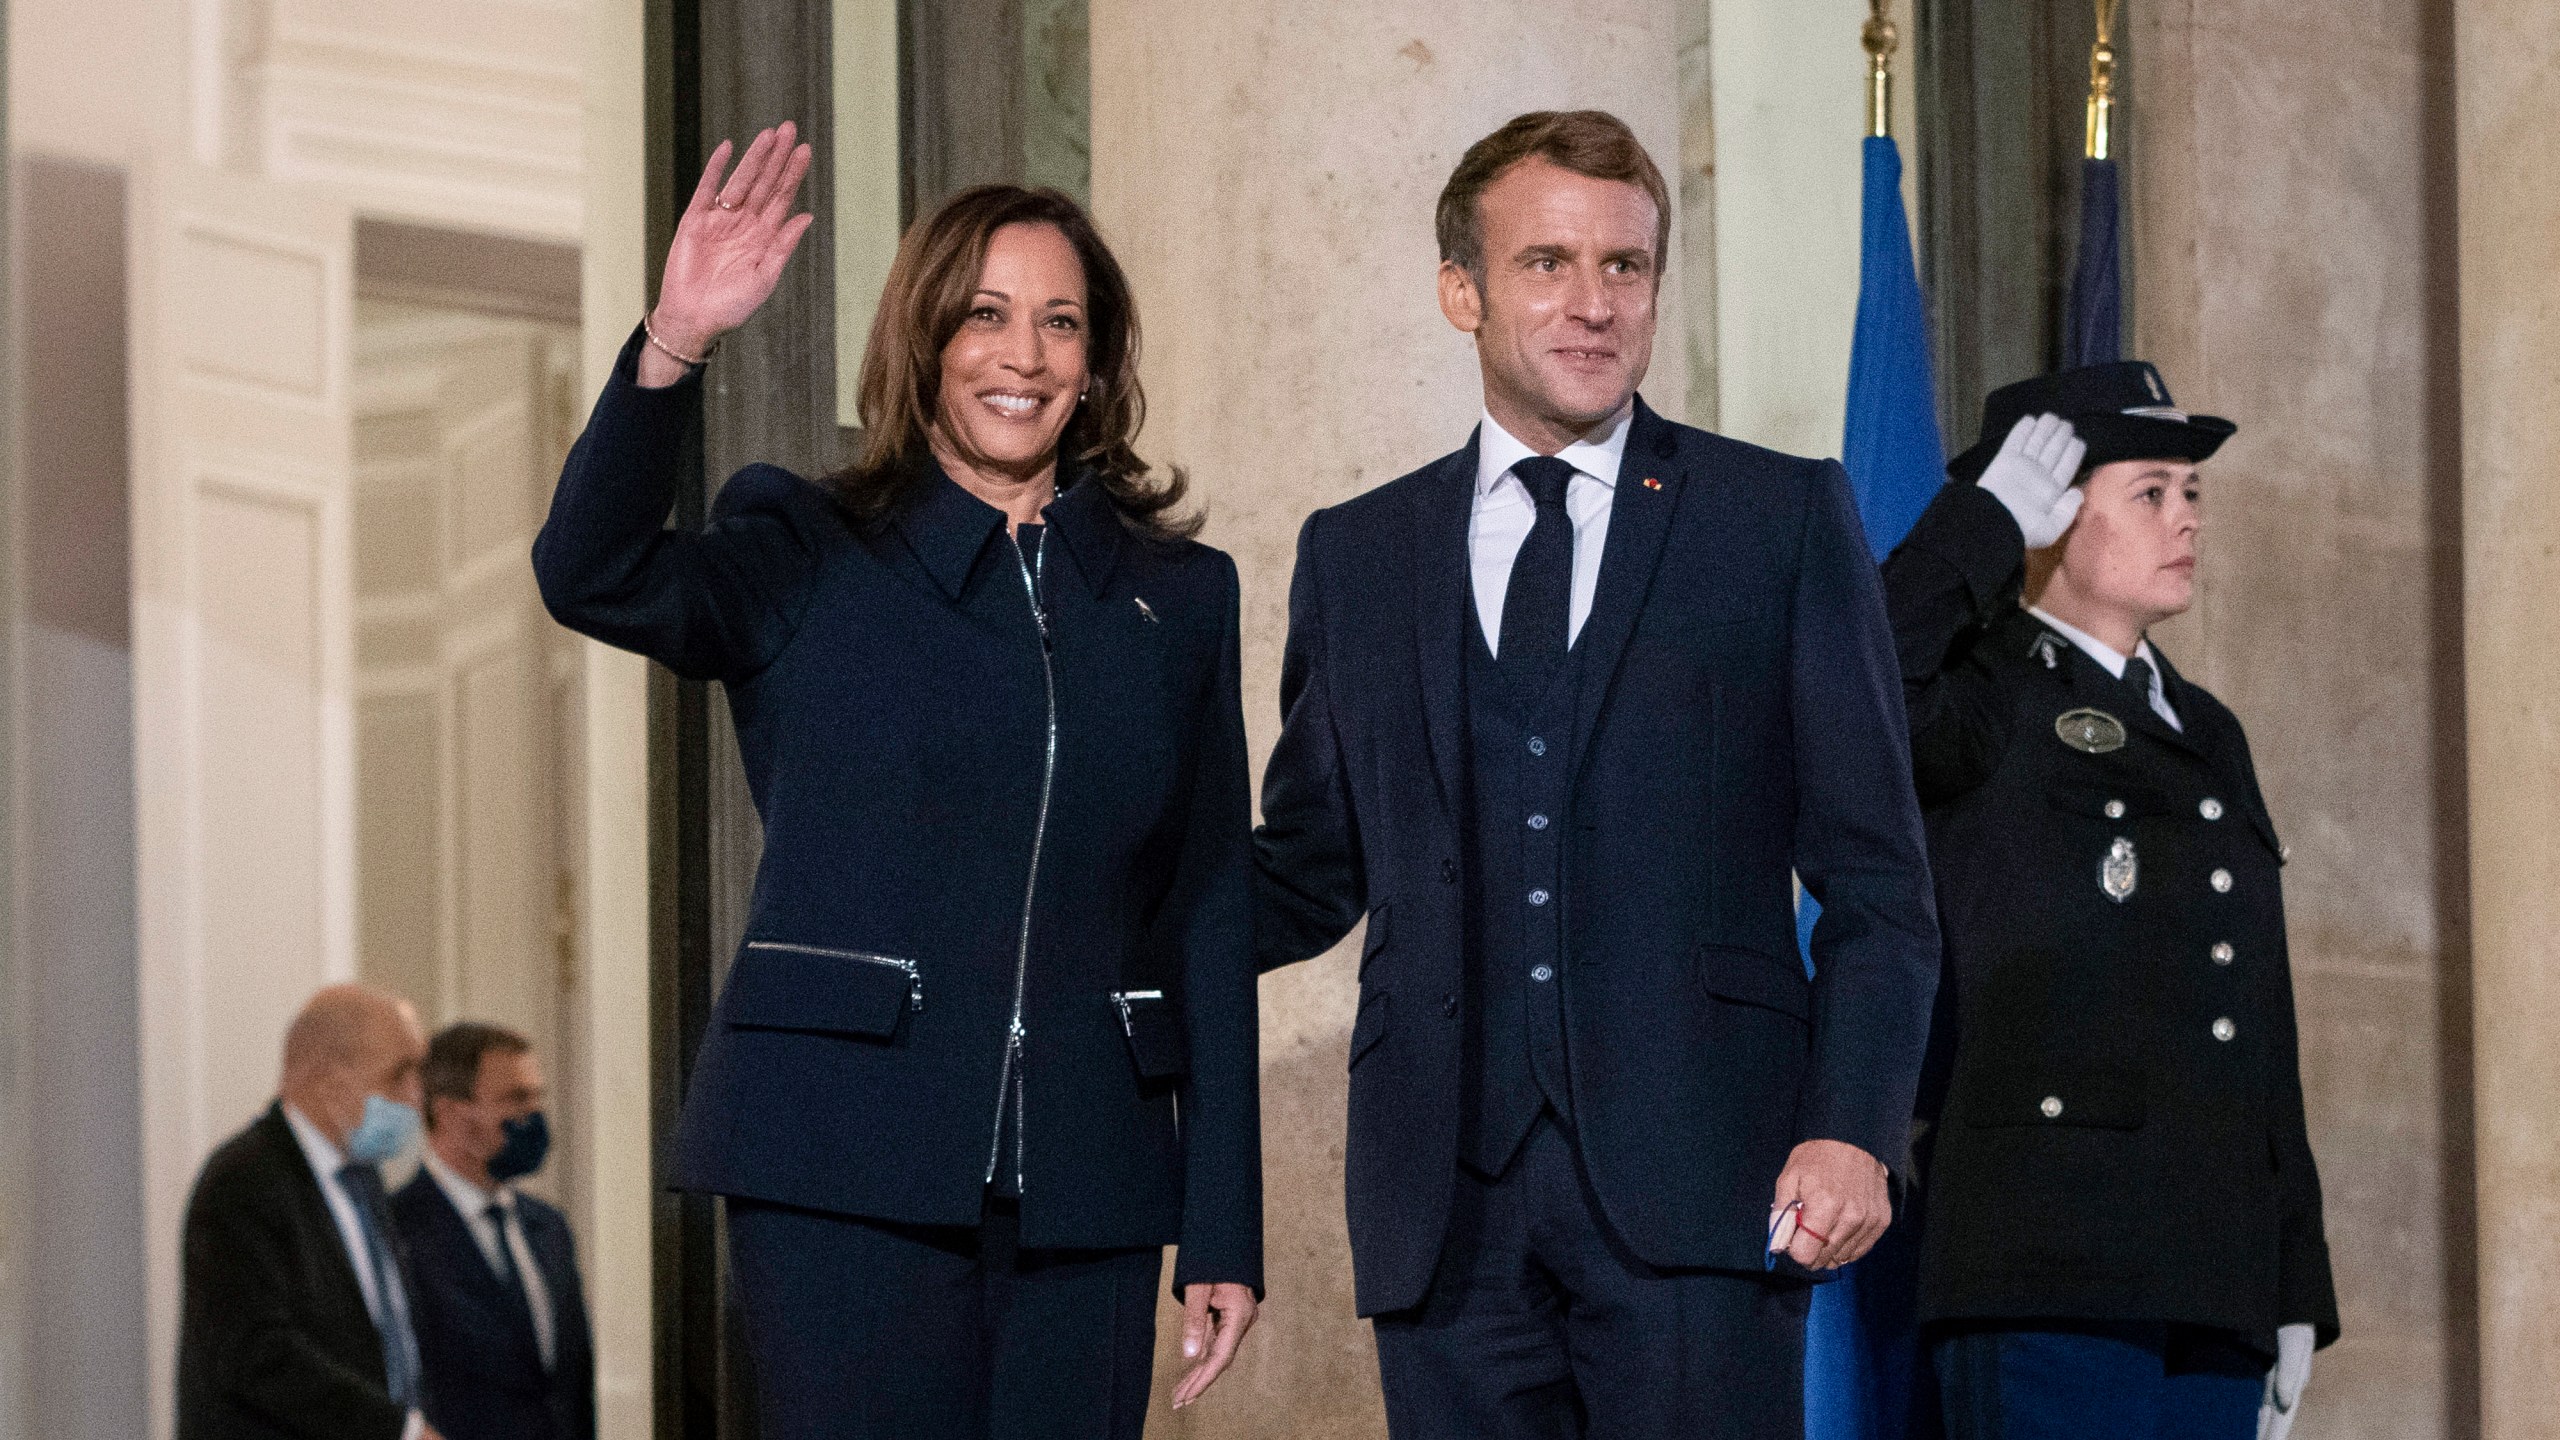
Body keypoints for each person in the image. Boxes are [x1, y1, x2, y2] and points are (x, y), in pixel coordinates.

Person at [531, 124, 1261, 1439]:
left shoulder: (1178, 599)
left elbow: (1207, 906)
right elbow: (591, 572)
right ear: (922, 342)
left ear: (1097, 363)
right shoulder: (805, 547)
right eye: (983, 316)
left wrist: (1225, 1224)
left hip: (1090, 1185)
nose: (1023, 355)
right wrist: (673, 343)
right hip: (837, 1166)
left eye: (1060, 322)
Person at [1252, 109, 1941, 1439]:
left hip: (1707, 1183)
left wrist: (1852, 1122)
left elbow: (1876, 876)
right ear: (1462, 290)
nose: (1592, 303)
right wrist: (1097, 886)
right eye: (1547, 263)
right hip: (1443, 1211)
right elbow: (1308, 863)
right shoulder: (1358, 552)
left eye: (1624, 267)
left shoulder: (1778, 519)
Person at [1878, 364, 2339, 1440]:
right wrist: (1974, 529)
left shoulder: (2205, 725)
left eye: (2192, 496)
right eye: (2149, 492)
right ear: (2050, 517)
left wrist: (2291, 1281)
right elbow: (1853, 688)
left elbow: (2258, 1018)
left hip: (2210, 1279)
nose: (2185, 520)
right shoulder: (1981, 692)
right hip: (2049, 1263)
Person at [177, 985, 443, 1440]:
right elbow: (259, 1354)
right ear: (328, 1079)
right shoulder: (243, 1181)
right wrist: (399, 1431)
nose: (416, 1097)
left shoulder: (363, 1181)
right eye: (399, 1075)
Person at [391, 1023, 594, 1440]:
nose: (533, 1114)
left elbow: (573, 1387)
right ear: (448, 1113)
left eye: (537, 1096)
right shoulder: (397, 1230)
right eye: (515, 1098)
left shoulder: (549, 1227)